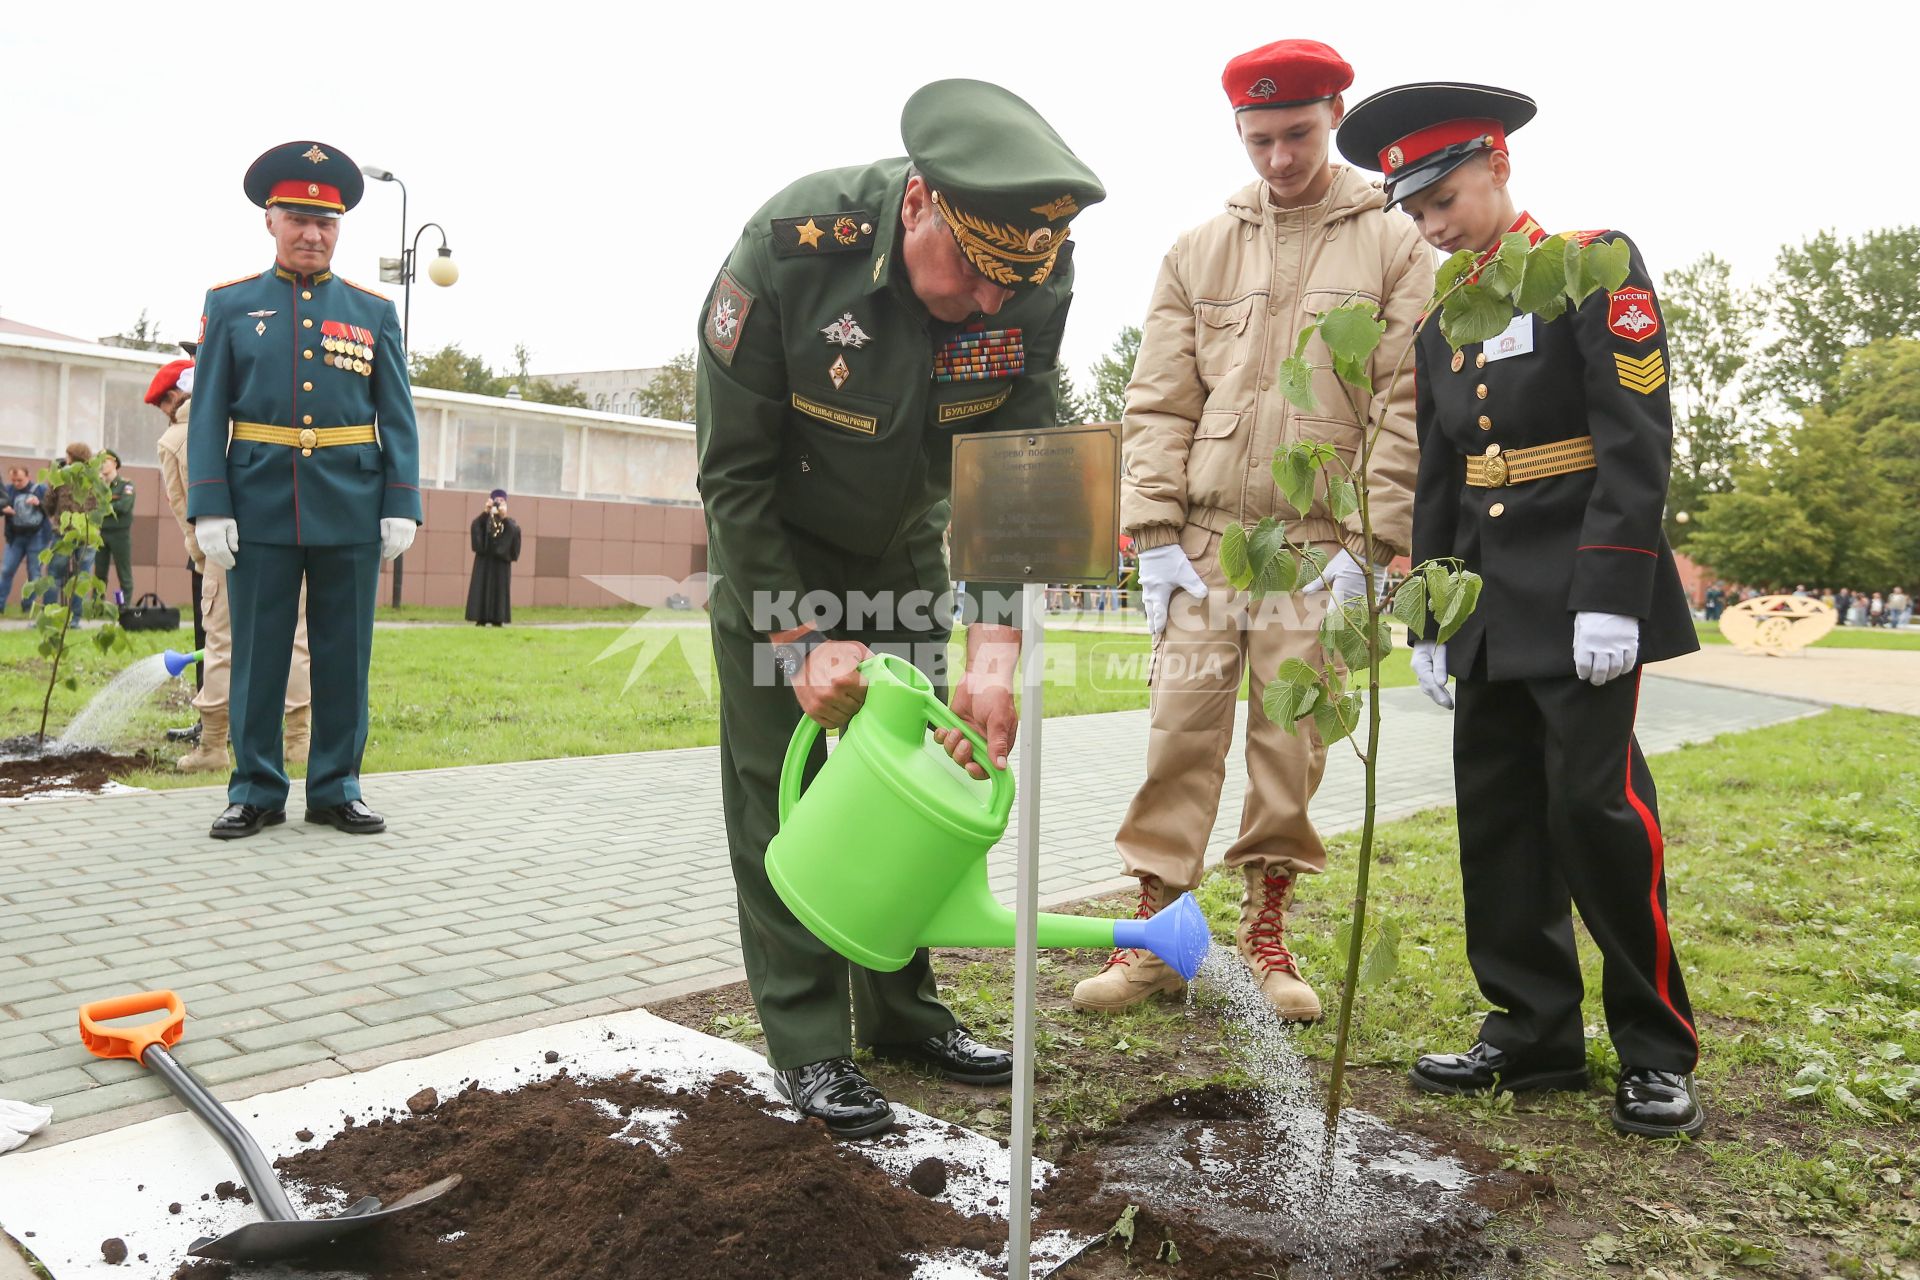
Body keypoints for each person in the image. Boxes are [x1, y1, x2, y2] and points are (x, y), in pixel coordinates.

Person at [696, 79, 1103, 1138]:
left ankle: (904, 1009)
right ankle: (808, 1039)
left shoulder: (1029, 280)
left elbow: (1021, 472)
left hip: (905, 549)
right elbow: (733, 480)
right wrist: (796, 636)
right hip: (778, 548)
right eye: (971, 269)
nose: (985, 302)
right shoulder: (790, 251)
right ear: (917, 201)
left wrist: (998, 647)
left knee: (926, 774)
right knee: (782, 786)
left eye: (1010, 282)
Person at [1340, 82, 1705, 1138]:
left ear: (1498, 164)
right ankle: (1533, 1028)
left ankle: (1654, 1045)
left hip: (1585, 596)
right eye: (1415, 210)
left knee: (1597, 813)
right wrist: (1434, 621)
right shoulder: (1448, 314)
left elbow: (1636, 440)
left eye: (1445, 196)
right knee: (1496, 817)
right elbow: (1444, 480)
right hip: (1491, 607)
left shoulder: (1592, 268)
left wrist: (1612, 591)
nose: (1433, 223)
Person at [1077, 39, 1430, 1022]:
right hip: (1203, 540)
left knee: (1292, 744)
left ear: (1336, 116)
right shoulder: (1196, 251)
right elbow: (1156, 399)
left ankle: (1266, 938)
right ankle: (1156, 940)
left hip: (1319, 545)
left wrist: (1374, 542)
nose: (1279, 158)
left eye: (1299, 134)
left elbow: (1403, 405)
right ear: (1238, 132)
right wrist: (1149, 533)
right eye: (1259, 138)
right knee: (1177, 739)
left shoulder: (1397, 244)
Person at [186, 139, 421, 839]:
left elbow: (397, 413)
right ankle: (256, 788)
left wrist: (400, 501)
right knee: (257, 653)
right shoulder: (231, 306)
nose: (313, 234)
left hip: (350, 501)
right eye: (298, 219)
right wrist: (210, 503)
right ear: (270, 221)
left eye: (327, 223)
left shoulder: (373, 311)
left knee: (345, 656)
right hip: (258, 502)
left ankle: (335, 786)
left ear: (340, 228)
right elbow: (208, 414)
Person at [151, 357, 314, 771]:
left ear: (175, 397)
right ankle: (298, 742)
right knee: (296, 637)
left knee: (220, 646)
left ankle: (212, 748)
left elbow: (184, 508)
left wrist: (203, 560)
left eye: (162, 404)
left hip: (224, 550)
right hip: (280, 539)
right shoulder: (244, 418)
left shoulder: (175, 440)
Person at [42, 443, 100, 625]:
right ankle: (74, 620)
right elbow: (101, 506)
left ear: (71, 456)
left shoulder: (60, 476)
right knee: (81, 578)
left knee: (54, 575)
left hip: (63, 533)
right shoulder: (95, 478)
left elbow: (49, 503)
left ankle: (50, 617)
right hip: (87, 535)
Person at [465, 488, 521, 625]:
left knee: (499, 590)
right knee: (481, 587)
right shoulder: (484, 521)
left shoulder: (510, 522)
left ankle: (498, 618)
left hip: (501, 564)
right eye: (496, 501)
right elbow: (475, 528)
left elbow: (514, 534)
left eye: (502, 501)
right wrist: (485, 512)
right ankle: (481, 617)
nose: (498, 504)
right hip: (484, 562)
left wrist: (504, 518)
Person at [2, 465, 50, 613]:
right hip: (15, 536)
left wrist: (39, 503)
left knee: (34, 572)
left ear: (28, 477)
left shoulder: (40, 489)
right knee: (6, 570)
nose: (16, 483)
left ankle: (27, 605)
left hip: (37, 536)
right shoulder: (7, 490)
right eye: (14, 480)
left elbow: (50, 509)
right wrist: (3, 509)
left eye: (20, 480)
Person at [94, 451, 137, 603]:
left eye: (106, 461)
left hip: (120, 534)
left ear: (115, 464)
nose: (102, 464)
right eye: (100, 461)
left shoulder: (126, 484)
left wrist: (103, 507)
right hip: (101, 533)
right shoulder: (98, 486)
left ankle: (122, 606)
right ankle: (97, 606)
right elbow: (91, 506)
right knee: (99, 573)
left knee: (123, 573)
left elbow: (124, 506)